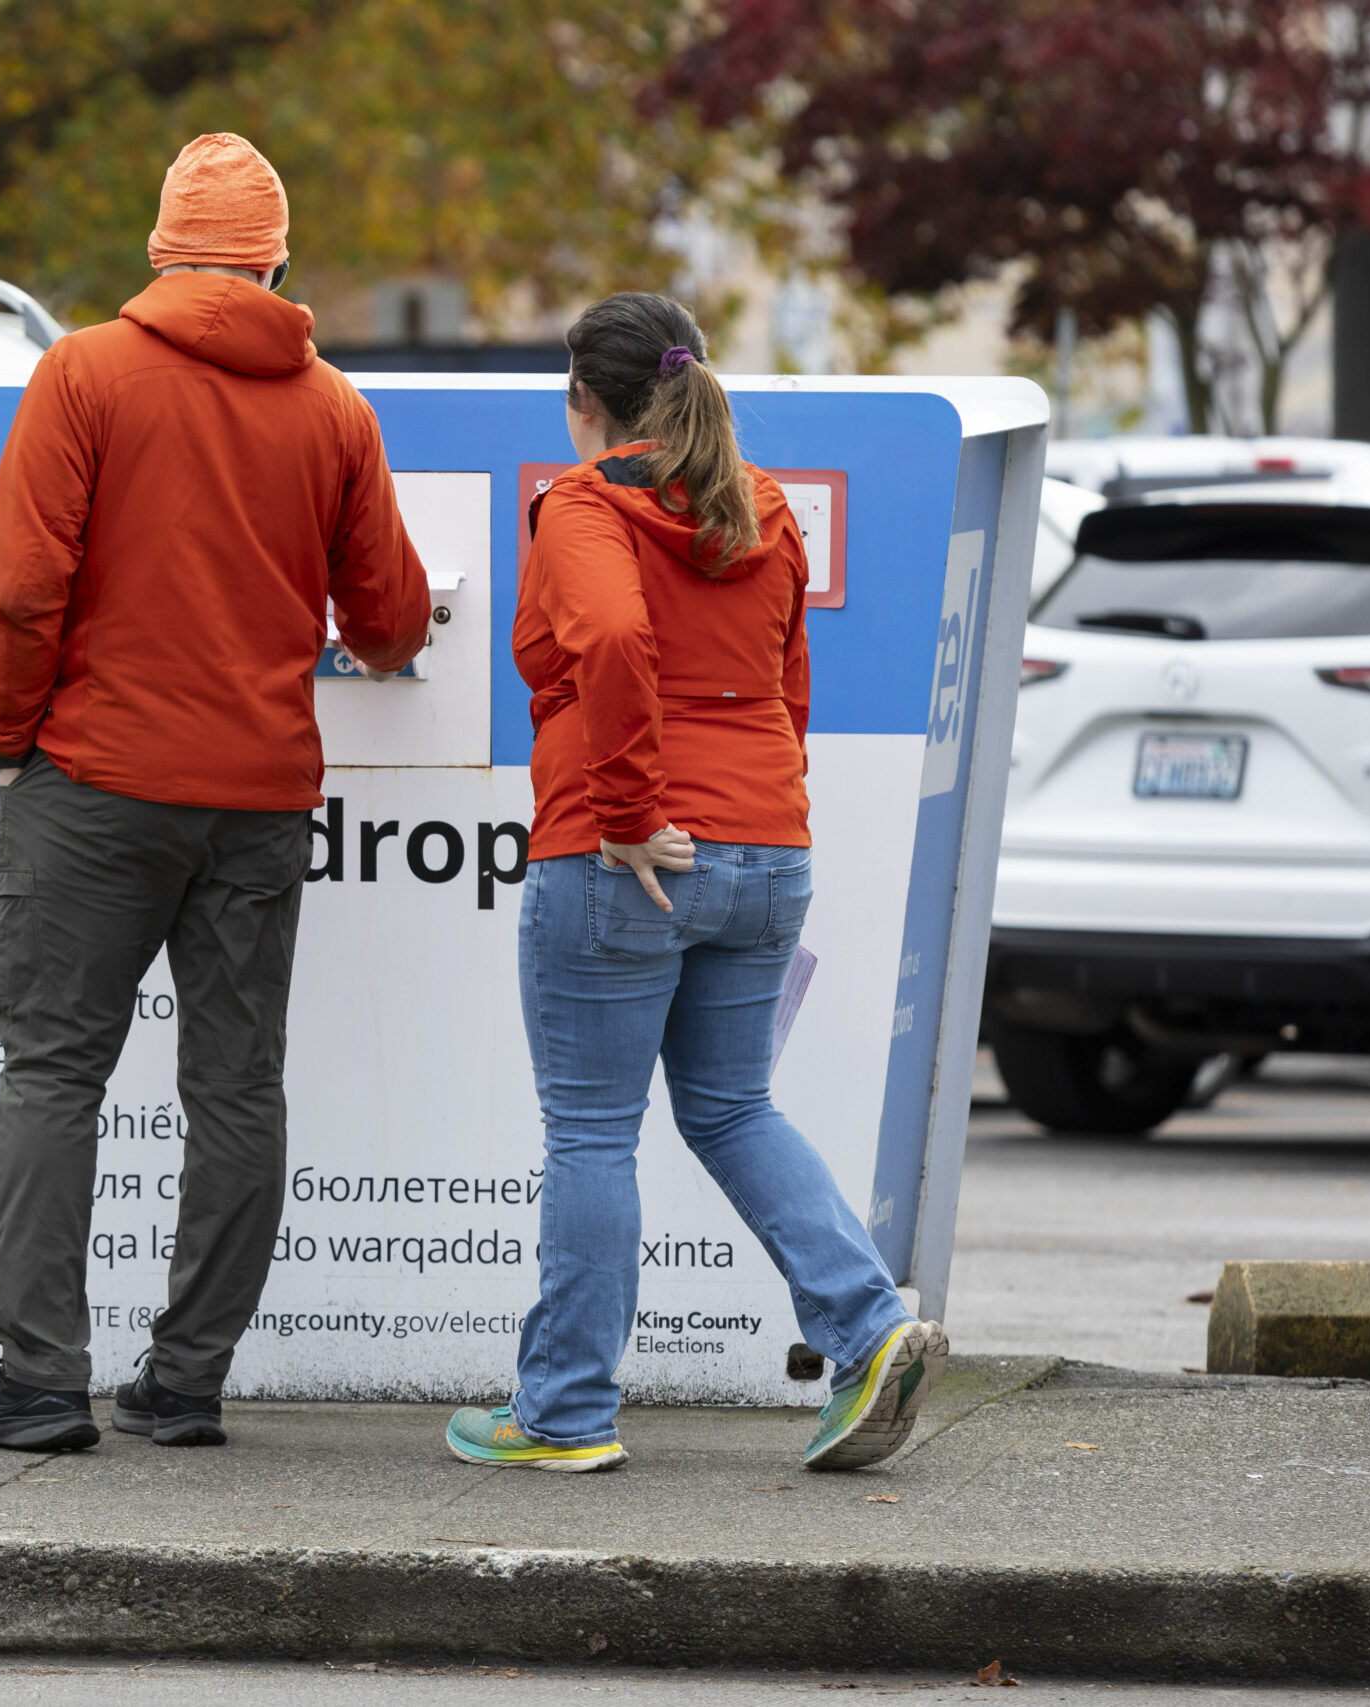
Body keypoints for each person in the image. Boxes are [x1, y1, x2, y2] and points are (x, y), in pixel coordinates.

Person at [0, 133, 431, 1452]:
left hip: (94, 778)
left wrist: (11, 735)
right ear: (277, 259)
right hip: (259, 799)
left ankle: (40, 1377)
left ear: (161, 248)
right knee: (237, 1086)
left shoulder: (84, 372)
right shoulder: (336, 410)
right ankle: (186, 1377)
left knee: (53, 1073)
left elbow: (21, 587)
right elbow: (387, 620)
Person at [445, 292, 944, 1475]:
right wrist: (761, 821)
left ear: (585, 402)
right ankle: (870, 1329)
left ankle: (562, 1415)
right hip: (767, 849)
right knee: (731, 1108)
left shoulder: (582, 502)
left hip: (629, 856)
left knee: (589, 1133)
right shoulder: (760, 504)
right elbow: (787, 686)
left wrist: (627, 811)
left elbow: (613, 643)